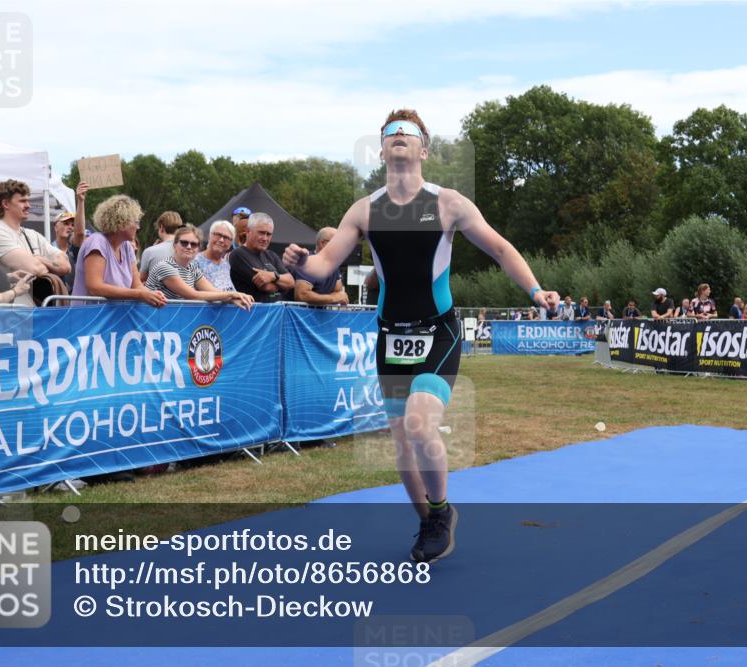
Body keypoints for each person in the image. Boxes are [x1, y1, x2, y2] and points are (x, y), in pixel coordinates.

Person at [282, 109, 559, 563]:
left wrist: (535, 288)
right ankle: (430, 521)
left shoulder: (449, 203)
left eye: (407, 133)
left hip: (438, 332)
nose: (398, 137)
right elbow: (323, 265)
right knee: (401, 440)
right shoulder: (365, 210)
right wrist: (298, 264)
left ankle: (440, 509)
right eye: (390, 132)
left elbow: (501, 248)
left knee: (419, 423)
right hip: (390, 335)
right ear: (381, 147)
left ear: (424, 150)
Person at [0, 179, 71, 306]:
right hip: (11, 312)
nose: (28, 205)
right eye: (22, 201)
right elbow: (36, 269)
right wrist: (46, 264)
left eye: (28, 200)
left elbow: (66, 266)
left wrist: (39, 259)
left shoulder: (32, 234)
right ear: (6, 204)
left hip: (35, 311)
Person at [71, 194, 166, 307]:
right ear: (121, 222)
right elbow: (94, 287)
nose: (138, 227)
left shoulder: (126, 247)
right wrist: (139, 294)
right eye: (136, 222)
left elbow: (137, 285)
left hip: (114, 318)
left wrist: (151, 294)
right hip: (89, 318)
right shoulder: (96, 242)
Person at [145, 225, 254, 309]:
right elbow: (193, 295)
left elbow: (213, 291)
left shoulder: (192, 268)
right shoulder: (165, 266)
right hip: (153, 321)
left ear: (198, 248)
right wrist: (232, 295)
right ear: (175, 245)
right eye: (184, 243)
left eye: (193, 244)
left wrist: (232, 299)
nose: (189, 247)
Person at [229, 212, 295, 302]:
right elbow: (266, 287)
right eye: (261, 233)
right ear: (248, 231)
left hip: (276, 313)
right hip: (254, 313)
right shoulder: (238, 254)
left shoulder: (271, 255)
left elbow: (291, 282)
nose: (265, 238)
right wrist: (283, 286)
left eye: (269, 234)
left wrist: (273, 276)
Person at [293, 227, 349, 306]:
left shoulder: (334, 265)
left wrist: (335, 297)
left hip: (320, 316)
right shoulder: (308, 262)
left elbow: (339, 293)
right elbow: (301, 295)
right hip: (300, 316)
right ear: (322, 243)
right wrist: (332, 298)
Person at [51, 181, 89, 292]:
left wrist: (81, 200)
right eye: (65, 223)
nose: (70, 227)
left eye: (73, 224)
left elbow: (80, 233)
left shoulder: (74, 249)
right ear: (55, 227)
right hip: (55, 302)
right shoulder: (47, 248)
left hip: (74, 301)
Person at [139, 211, 183, 283]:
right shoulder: (189, 250)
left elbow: (140, 278)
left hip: (157, 293)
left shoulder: (150, 251)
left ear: (161, 227)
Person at [195, 220, 236, 291]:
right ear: (209, 236)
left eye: (226, 237)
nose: (221, 240)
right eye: (218, 235)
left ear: (230, 244)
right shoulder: (195, 261)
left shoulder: (226, 265)